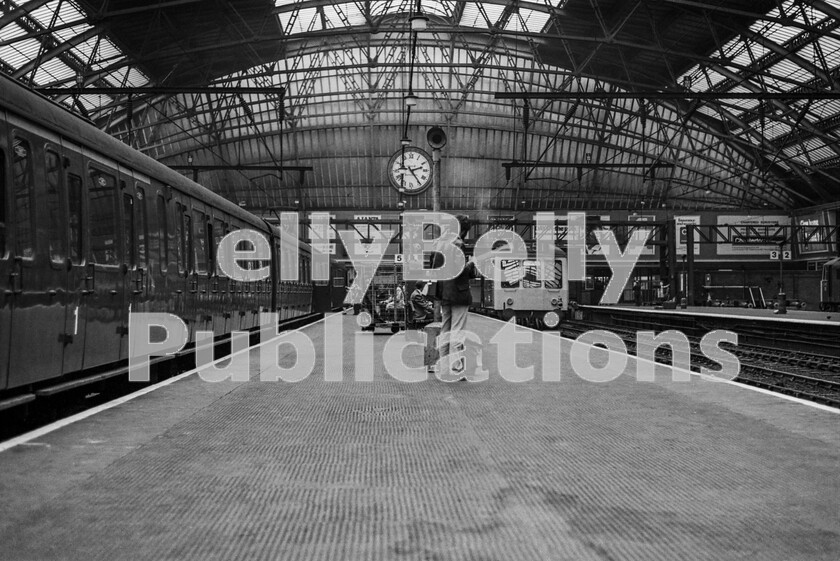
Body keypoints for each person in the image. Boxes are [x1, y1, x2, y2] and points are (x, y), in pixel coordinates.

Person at [430, 214, 477, 380]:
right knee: (457, 332)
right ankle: (457, 369)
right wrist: (471, 265)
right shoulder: (457, 243)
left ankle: (443, 368)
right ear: (463, 230)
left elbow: (434, 266)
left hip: (443, 293)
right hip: (458, 293)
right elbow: (460, 270)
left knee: (445, 330)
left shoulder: (439, 243)